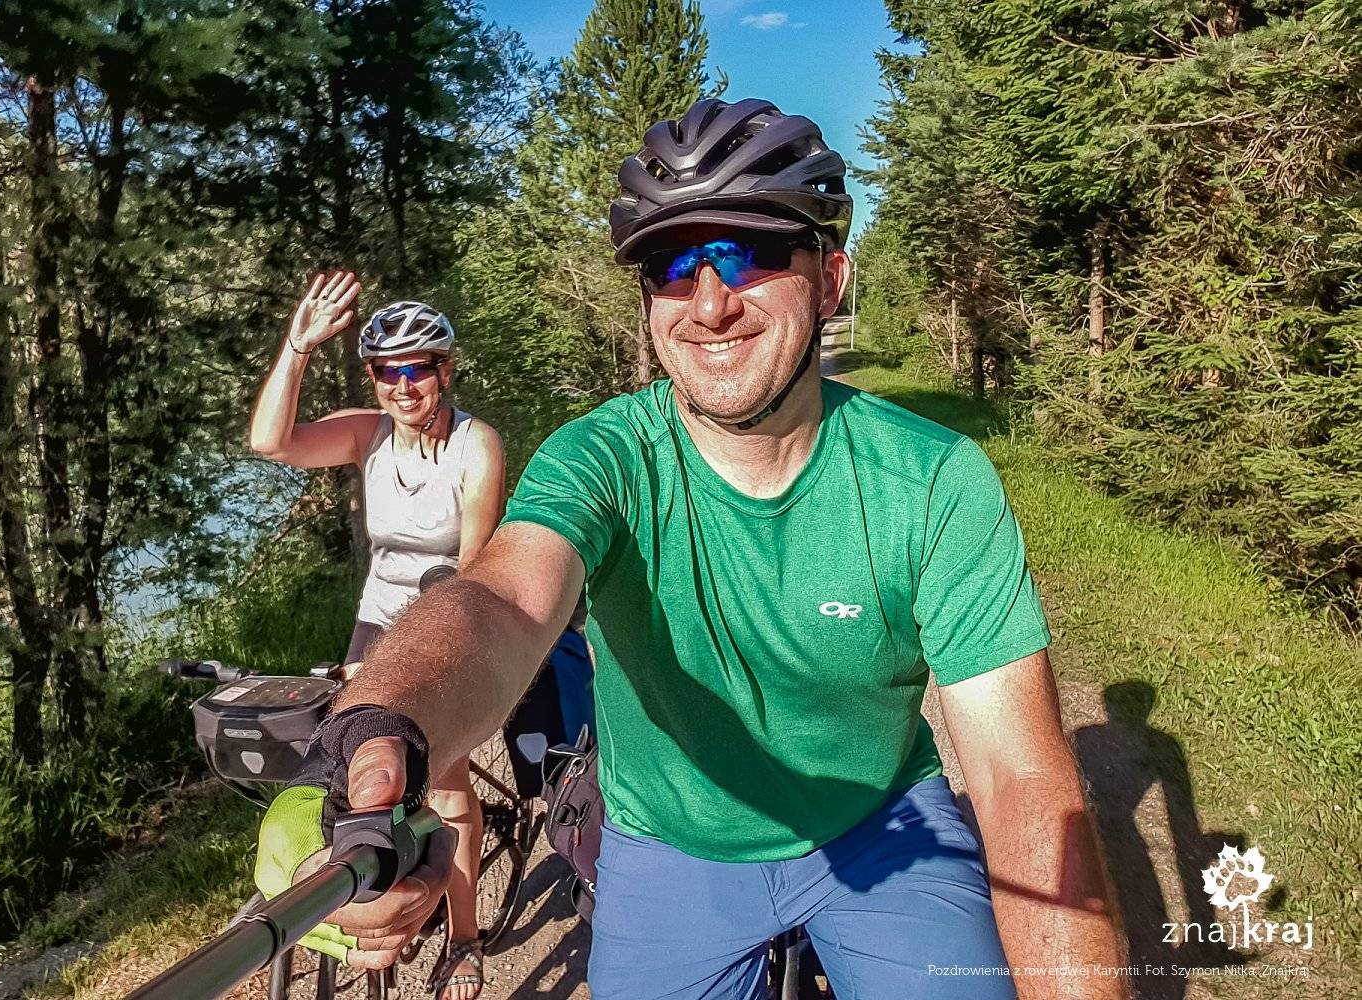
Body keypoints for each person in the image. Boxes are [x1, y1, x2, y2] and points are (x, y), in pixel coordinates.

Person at [261, 99, 1129, 999]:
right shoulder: (603, 456)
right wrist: (383, 725)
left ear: (830, 280)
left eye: (749, 253)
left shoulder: (932, 479)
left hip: (882, 824)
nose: (710, 303)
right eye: (673, 266)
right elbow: (504, 598)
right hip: (667, 848)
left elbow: (1021, 777)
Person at [248, 273, 505, 1000]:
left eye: (417, 368)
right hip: (375, 624)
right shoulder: (369, 434)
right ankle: (384, 891)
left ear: (444, 372)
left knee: (443, 782)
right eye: (388, 372)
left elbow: (473, 568)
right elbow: (271, 442)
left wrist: (418, 660)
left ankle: (463, 940)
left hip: (450, 621)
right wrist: (299, 344)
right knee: (352, 773)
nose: (403, 386)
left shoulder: (477, 446)